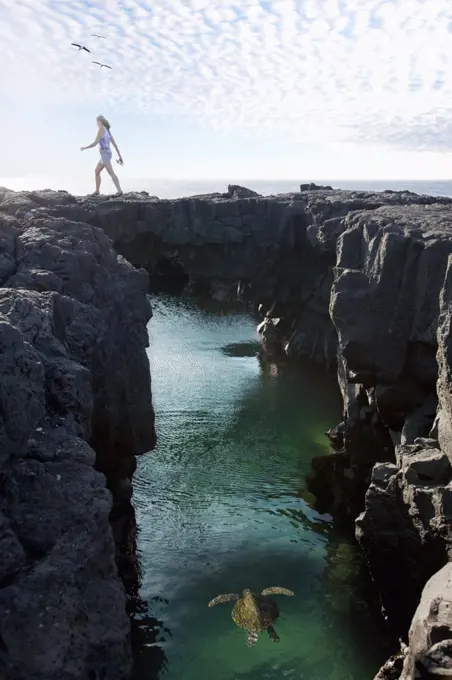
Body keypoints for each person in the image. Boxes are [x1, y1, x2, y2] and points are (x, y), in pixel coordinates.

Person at [80, 115, 124, 195]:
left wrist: (85, 148)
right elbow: (115, 145)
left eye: (97, 122)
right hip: (106, 153)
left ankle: (120, 191)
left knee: (111, 172)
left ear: (99, 121)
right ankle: (97, 191)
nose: (96, 124)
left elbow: (95, 143)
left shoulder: (101, 129)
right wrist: (120, 157)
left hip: (105, 154)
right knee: (97, 171)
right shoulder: (107, 130)